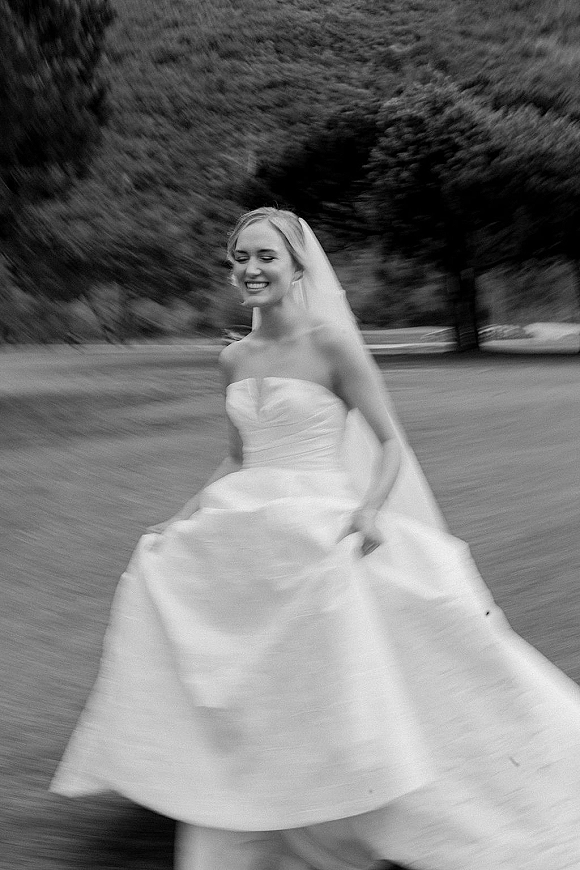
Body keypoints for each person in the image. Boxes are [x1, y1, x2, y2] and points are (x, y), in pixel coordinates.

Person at [51, 208, 580, 870]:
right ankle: (229, 779)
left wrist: (367, 511)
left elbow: (389, 444)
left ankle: (340, 795)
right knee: (171, 585)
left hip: (323, 515)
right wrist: (181, 515)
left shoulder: (333, 345)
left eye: (266, 256)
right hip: (248, 517)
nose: (251, 269)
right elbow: (237, 456)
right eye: (240, 257)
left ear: (299, 268)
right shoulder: (233, 357)